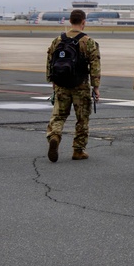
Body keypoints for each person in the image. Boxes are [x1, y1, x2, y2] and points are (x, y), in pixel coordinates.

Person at [45, 9, 101, 162]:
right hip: (80, 85)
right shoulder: (88, 42)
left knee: (59, 115)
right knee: (82, 118)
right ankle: (78, 150)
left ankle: (55, 136)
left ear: (70, 21)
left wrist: (53, 81)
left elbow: (50, 62)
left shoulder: (58, 40)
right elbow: (95, 66)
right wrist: (95, 87)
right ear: (83, 22)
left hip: (61, 84)